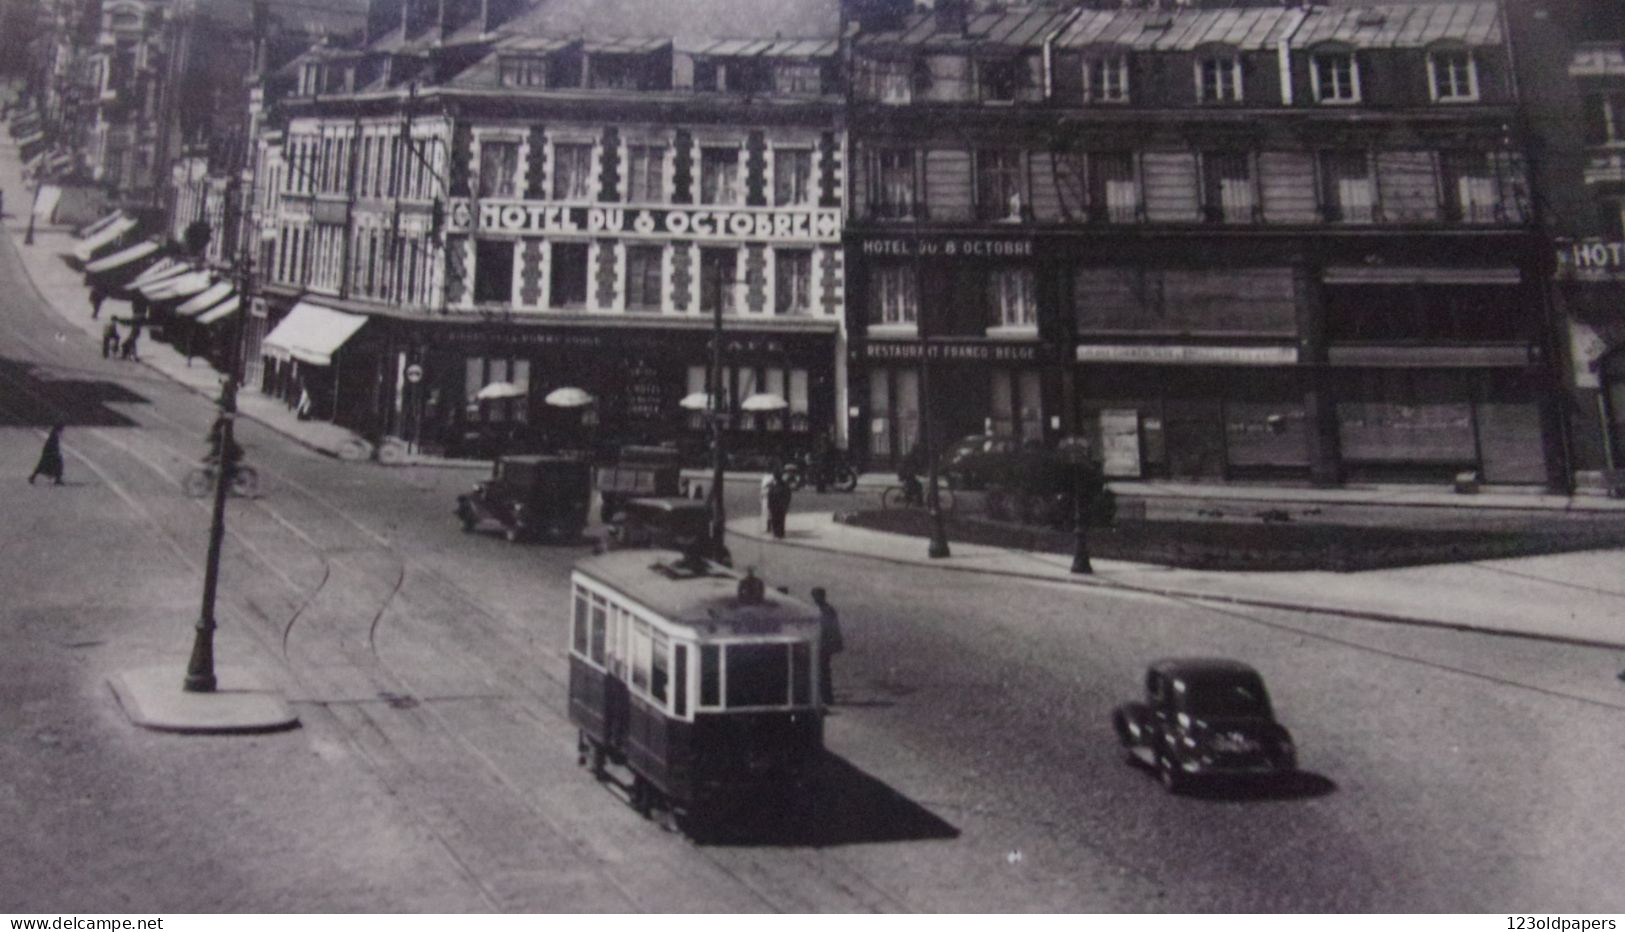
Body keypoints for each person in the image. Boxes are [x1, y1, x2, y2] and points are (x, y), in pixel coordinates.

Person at [810, 587, 843, 706]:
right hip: (820, 645)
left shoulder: (826, 610)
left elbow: (832, 629)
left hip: (823, 645)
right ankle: (825, 697)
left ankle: (827, 697)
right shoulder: (821, 609)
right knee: (821, 671)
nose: (815, 598)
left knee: (823, 672)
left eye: (817, 596)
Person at [766, 468, 792, 539]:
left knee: (778, 519)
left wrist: (769, 505)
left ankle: (778, 533)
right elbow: (788, 496)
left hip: (778, 505)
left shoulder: (777, 485)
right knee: (778, 519)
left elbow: (770, 496)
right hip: (778, 505)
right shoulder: (782, 485)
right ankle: (778, 533)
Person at [898, 441, 926, 507]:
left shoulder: (912, 456)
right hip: (905, 474)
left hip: (908, 473)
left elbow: (916, 466)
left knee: (916, 485)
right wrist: (919, 473)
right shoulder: (911, 456)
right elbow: (912, 467)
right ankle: (917, 502)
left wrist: (920, 472)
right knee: (918, 486)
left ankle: (914, 499)